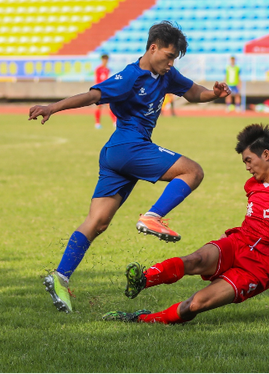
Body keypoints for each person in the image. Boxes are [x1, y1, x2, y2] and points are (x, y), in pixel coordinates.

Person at [28, 21, 231, 313]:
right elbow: (93, 96)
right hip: (129, 147)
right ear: (153, 48)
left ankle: (60, 276)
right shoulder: (130, 76)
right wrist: (52, 107)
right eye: (168, 56)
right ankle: (153, 216)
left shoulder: (166, 74)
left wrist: (214, 94)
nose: (171, 63)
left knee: (97, 222)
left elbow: (192, 91)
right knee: (192, 171)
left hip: (115, 154)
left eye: (174, 59)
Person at [102, 123, 269, 325]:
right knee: (194, 260)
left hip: (260, 266)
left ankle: (143, 318)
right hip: (238, 242)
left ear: (266, 155)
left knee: (195, 304)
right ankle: (143, 279)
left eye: (249, 160)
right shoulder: (252, 186)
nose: (247, 167)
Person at [94, 54, 117, 129]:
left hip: (106, 90)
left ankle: (114, 122)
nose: (105, 61)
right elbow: (97, 80)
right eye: (104, 60)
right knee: (99, 106)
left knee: (110, 106)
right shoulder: (98, 69)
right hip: (100, 90)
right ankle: (97, 123)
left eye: (106, 60)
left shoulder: (108, 70)